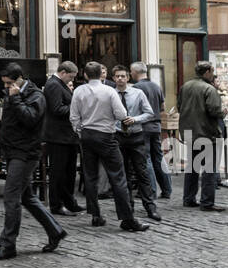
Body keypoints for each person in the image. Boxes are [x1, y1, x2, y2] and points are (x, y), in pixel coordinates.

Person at [0, 63, 66, 259]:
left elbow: (30, 119)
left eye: (9, 83)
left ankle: (8, 244)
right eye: (4, 83)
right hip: (13, 150)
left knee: (11, 197)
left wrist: (16, 98)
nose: (6, 87)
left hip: (25, 153)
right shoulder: (12, 93)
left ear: (20, 79)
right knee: (27, 197)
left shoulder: (36, 95)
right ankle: (55, 230)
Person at [70, 61, 149, 232]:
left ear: (84, 75)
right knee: (118, 177)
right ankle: (127, 218)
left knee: (90, 176)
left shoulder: (78, 91)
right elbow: (121, 114)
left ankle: (95, 214)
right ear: (101, 74)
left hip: (87, 135)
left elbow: (74, 116)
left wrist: (80, 132)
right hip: (106, 135)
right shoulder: (109, 91)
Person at [113, 66, 160, 221]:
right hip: (118, 136)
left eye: (123, 76)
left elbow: (149, 113)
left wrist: (135, 119)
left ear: (128, 78)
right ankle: (128, 208)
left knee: (142, 173)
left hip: (136, 136)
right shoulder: (110, 94)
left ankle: (150, 207)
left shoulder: (138, 93)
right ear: (114, 78)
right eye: (117, 76)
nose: (120, 79)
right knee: (123, 174)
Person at [178, 61, 225, 212]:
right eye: (212, 71)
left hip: (190, 132)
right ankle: (207, 202)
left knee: (192, 167)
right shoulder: (209, 88)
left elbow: (180, 106)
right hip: (206, 133)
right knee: (209, 169)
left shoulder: (185, 86)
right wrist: (223, 112)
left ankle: (189, 198)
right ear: (207, 72)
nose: (213, 74)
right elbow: (214, 111)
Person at [43, 61, 82, 216]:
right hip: (58, 136)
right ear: (63, 72)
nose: (71, 80)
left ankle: (69, 202)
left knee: (69, 171)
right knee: (58, 172)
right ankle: (56, 205)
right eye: (70, 77)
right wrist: (77, 108)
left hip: (67, 136)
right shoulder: (53, 84)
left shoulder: (59, 84)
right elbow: (57, 108)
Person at [132, 63, 172, 199]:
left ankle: (151, 190)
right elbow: (162, 107)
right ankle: (167, 189)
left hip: (143, 127)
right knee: (159, 157)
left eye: (131, 72)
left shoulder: (136, 88)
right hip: (156, 126)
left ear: (135, 72)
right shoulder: (156, 86)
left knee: (146, 158)